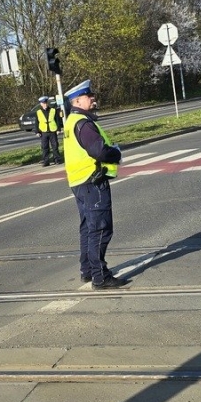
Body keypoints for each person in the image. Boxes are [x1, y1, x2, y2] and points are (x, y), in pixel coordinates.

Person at [63, 79, 127, 289]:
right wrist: (115, 153)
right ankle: (100, 276)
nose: (93, 99)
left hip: (79, 181)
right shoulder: (84, 123)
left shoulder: (72, 121)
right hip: (93, 181)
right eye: (90, 97)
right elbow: (98, 151)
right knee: (100, 229)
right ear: (78, 101)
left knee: (88, 229)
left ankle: (88, 270)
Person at [35, 96, 63, 166]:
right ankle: (46, 161)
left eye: (46, 103)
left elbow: (57, 120)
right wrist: (37, 132)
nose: (45, 104)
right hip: (43, 132)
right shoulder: (38, 112)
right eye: (43, 103)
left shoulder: (53, 110)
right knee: (45, 147)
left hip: (52, 131)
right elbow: (36, 122)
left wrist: (58, 129)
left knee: (55, 146)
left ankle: (57, 160)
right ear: (41, 104)